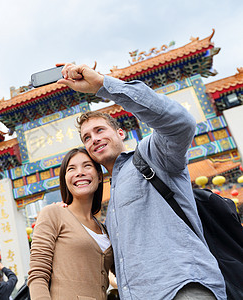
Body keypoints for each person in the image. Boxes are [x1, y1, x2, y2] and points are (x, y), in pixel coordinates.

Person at [57, 63, 227, 300]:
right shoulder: (111, 204)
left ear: (120, 133)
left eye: (99, 130)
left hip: (182, 288)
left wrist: (103, 85)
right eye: (87, 137)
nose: (94, 139)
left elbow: (181, 123)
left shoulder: (152, 155)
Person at [28, 147, 114, 300]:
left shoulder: (105, 229)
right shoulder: (54, 213)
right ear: (65, 179)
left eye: (87, 166)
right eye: (71, 169)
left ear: (100, 176)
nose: (79, 172)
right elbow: (38, 275)